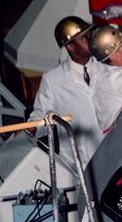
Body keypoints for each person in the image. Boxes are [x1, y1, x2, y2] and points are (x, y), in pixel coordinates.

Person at [29, 16, 106, 165]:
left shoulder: (106, 65)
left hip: (115, 151)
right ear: (70, 46)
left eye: (90, 34)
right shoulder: (53, 80)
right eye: (84, 38)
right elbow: (39, 118)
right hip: (81, 163)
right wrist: (32, 128)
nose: (90, 39)